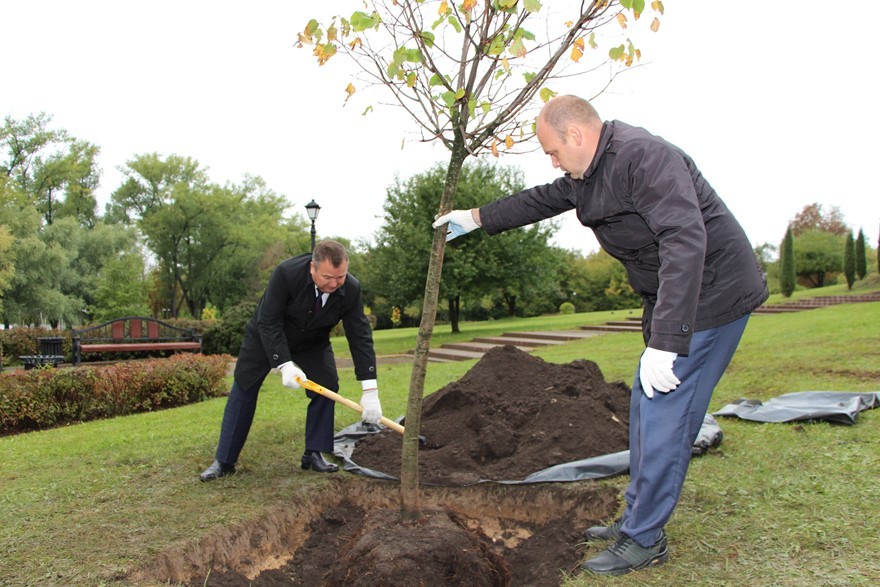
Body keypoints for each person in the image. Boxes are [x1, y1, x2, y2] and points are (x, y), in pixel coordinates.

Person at [432, 95, 768, 576]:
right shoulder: (587, 174)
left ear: (576, 136)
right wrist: (479, 217)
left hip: (710, 295)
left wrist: (668, 340)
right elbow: (541, 199)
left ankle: (645, 539)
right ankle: (635, 519)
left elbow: (684, 239)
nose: (552, 161)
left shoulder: (644, 157)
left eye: (552, 150)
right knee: (643, 409)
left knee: (668, 417)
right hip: (670, 296)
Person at [200, 239, 382, 481]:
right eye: (328, 277)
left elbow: (360, 335)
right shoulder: (286, 274)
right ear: (312, 268)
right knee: (244, 386)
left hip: (312, 343)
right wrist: (284, 364)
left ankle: (313, 453)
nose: (335, 284)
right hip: (266, 337)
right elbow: (268, 321)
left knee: (327, 387)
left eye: (341, 277)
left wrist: (370, 389)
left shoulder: (351, 288)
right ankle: (224, 461)